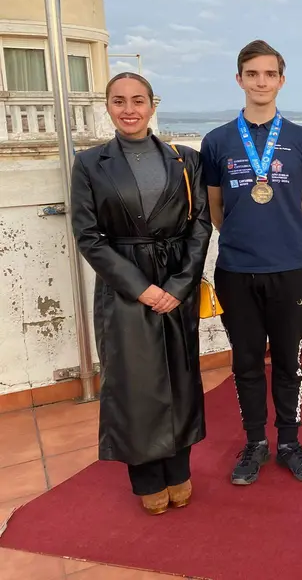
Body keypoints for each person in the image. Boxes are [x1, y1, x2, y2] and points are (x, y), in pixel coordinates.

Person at [70, 72, 212, 514]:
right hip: (124, 287)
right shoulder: (90, 163)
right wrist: (142, 289)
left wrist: (179, 284)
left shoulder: (185, 159)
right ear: (107, 106)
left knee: (181, 377)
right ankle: (148, 478)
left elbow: (199, 225)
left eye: (138, 100)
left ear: (153, 105)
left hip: (176, 282)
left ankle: (179, 471)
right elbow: (89, 236)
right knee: (135, 384)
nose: (128, 109)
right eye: (118, 101)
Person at [201, 40, 302, 485]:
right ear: (240, 79)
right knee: (246, 361)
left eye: (269, 74)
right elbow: (216, 210)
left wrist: (294, 237)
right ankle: (255, 442)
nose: (261, 82)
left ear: (281, 80)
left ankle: (289, 442)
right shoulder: (216, 141)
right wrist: (244, 239)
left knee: (291, 362)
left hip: (292, 270)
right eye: (252, 74)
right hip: (236, 271)